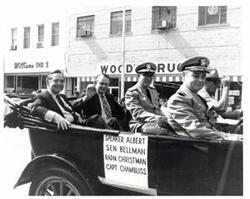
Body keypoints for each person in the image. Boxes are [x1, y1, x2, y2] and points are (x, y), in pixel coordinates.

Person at [161, 56, 234, 140]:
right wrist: (223, 138)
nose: (200, 80)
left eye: (203, 77)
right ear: (184, 76)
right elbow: (195, 130)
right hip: (190, 146)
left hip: (201, 142)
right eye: (195, 76)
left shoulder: (197, 97)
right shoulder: (178, 99)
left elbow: (207, 124)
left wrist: (226, 136)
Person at [31, 70, 108, 130]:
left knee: (112, 121)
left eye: (62, 81)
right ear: (48, 82)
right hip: (71, 129)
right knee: (97, 119)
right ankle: (116, 140)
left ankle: (118, 140)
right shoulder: (43, 96)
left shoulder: (62, 97)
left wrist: (86, 98)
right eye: (56, 80)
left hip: (79, 122)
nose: (59, 83)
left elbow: (72, 106)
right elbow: (35, 108)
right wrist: (56, 117)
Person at [125, 62, 175, 135]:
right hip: (140, 124)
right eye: (145, 75)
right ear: (138, 76)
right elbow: (138, 113)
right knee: (164, 131)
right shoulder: (132, 92)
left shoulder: (153, 91)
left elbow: (159, 107)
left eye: (151, 76)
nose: (149, 78)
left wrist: (169, 115)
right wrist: (159, 118)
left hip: (156, 122)